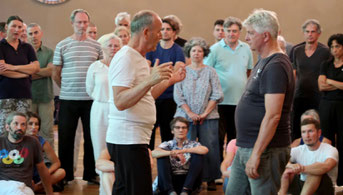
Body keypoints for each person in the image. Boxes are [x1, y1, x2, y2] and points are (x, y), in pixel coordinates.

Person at [106, 10, 186, 195]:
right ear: (146, 32)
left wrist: (169, 80)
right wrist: (150, 80)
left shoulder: (138, 58)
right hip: (128, 139)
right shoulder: (126, 57)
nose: (161, 36)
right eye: (158, 31)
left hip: (134, 139)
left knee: (125, 190)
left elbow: (146, 94)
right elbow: (120, 101)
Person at [226, 9, 295, 195]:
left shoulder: (276, 66)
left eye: (250, 33)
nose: (246, 37)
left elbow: (273, 116)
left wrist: (256, 154)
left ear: (265, 36)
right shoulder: (263, 61)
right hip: (246, 146)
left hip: (266, 150)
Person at [52, 9, 102, 184]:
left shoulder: (96, 46)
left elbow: (102, 71)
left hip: (91, 100)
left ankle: (90, 173)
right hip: (68, 99)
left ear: (88, 23)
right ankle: (65, 176)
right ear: (72, 23)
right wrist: (67, 88)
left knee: (91, 138)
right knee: (65, 138)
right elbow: (56, 73)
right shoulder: (62, 45)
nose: (82, 25)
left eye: (85, 22)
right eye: (79, 22)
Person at [174, 37, 223, 191]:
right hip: (185, 117)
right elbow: (178, 95)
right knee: (186, 147)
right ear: (189, 53)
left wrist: (204, 113)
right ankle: (189, 180)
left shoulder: (211, 72)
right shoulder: (182, 72)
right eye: (193, 50)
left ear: (204, 53)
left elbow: (217, 94)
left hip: (208, 117)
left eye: (200, 51)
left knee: (210, 147)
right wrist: (190, 113)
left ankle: (210, 179)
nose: (196, 53)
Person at [204, 16, 253, 162]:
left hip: (240, 102)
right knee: (218, 138)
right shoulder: (214, 49)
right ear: (224, 31)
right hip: (219, 101)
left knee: (235, 138)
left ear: (239, 32)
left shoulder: (246, 48)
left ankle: (232, 169)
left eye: (235, 31)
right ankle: (219, 170)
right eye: (228, 31)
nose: (231, 34)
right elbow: (207, 72)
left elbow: (248, 71)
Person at [146, 17, 186, 150]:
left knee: (167, 134)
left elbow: (175, 73)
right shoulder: (152, 48)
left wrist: (156, 71)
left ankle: (168, 166)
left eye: (168, 29)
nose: (165, 32)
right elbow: (147, 70)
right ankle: (148, 161)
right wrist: (161, 71)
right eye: (162, 29)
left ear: (174, 32)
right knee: (149, 133)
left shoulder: (178, 50)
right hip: (153, 96)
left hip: (169, 98)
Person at [291, 19, 331, 140]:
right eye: (307, 31)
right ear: (303, 33)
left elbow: (329, 74)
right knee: (297, 129)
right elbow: (294, 74)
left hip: (318, 97)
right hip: (299, 96)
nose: (310, 34)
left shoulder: (325, 52)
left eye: (313, 32)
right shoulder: (297, 50)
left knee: (317, 129)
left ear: (318, 34)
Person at [0, 15, 40, 135]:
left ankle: (23, 154)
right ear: (7, 27)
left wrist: (13, 67)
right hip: (5, 96)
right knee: (4, 131)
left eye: (19, 27)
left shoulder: (27, 47)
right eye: (14, 26)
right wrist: (25, 72)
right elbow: (2, 70)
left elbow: (36, 68)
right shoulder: (1, 46)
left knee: (23, 131)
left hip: (24, 95)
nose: (17, 30)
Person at [86, 33, 122, 164]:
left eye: (116, 46)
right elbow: (89, 89)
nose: (113, 48)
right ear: (103, 48)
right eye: (110, 45)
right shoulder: (95, 66)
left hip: (118, 108)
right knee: (99, 142)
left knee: (117, 142)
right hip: (100, 108)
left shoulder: (123, 66)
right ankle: (102, 174)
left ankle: (118, 174)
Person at [279, 118, 338, 195]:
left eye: (310, 131)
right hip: (302, 185)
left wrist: (301, 168)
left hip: (324, 189)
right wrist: (290, 165)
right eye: (304, 132)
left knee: (315, 172)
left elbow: (326, 166)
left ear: (319, 133)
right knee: (286, 171)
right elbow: (281, 160)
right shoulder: (298, 150)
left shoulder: (330, 149)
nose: (307, 135)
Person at [0, 112, 53, 195]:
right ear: (7, 127)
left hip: (25, 187)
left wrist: (50, 193)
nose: (19, 127)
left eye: (23, 124)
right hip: (3, 185)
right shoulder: (1, 142)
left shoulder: (32, 142)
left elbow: (42, 169)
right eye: (16, 124)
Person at [152, 117, 208, 195]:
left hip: (189, 182)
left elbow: (205, 150)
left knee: (198, 154)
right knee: (162, 156)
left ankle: (185, 190)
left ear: (187, 130)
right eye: (177, 127)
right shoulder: (168, 144)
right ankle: (170, 191)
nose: (181, 130)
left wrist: (181, 151)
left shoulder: (194, 144)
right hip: (170, 181)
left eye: (183, 127)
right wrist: (172, 153)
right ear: (172, 130)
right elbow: (154, 153)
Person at [318, 33, 343, 186]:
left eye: (338, 46)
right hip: (326, 105)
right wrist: (338, 84)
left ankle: (341, 179)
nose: (334, 50)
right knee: (327, 140)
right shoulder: (325, 65)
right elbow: (321, 85)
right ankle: (327, 178)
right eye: (332, 47)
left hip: (342, 106)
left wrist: (329, 81)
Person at [27, 23, 55, 148]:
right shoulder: (23, 52)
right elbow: (22, 73)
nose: (34, 36)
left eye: (36, 33)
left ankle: (49, 161)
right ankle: (30, 161)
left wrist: (30, 71)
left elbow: (50, 71)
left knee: (47, 131)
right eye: (30, 33)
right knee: (28, 131)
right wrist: (41, 71)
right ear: (27, 36)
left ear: (41, 33)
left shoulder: (49, 52)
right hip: (28, 97)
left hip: (46, 97)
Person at [26, 112, 66, 193]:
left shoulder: (42, 142)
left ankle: (36, 188)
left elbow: (56, 163)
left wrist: (47, 173)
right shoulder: (19, 140)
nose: (34, 127)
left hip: (39, 176)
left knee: (61, 172)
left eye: (36, 124)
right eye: (30, 124)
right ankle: (42, 189)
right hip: (23, 175)